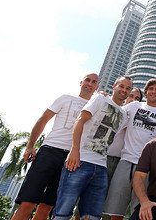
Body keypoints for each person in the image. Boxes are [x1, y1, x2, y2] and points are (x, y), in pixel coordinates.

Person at [11, 73, 99, 220]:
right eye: (87, 80)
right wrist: (30, 146)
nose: (90, 84)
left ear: (97, 86)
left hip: (72, 160)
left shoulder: (96, 107)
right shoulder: (65, 98)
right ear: (81, 82)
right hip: (49, 152)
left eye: (94, 82)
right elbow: (42, 120)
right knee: (27, 203)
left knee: (46, 207)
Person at [52, 76, 130, 220]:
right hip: (80, 161)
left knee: (93, 216)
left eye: (127, 88)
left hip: (101, 167)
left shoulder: (124, 115)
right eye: (121, 86)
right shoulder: (100, 99)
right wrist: (75, 150)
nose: (124, 90)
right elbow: (80, 121)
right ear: (114, 86)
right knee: (63, 211)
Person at [103, 78, 156, 220]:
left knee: (141, 211)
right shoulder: (134, 106)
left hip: (147, 166)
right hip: (125, 161)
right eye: (151, 88)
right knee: (115, 211)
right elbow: (116, 109)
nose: (153, 91)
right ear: (146, 91)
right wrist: (104, 97)